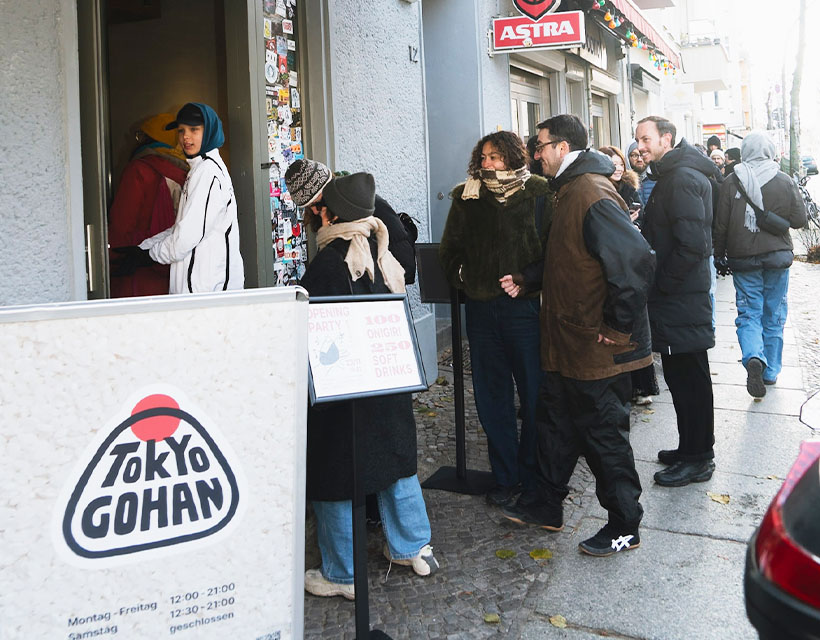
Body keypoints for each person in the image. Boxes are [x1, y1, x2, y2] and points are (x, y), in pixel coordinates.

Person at [500, 114, 655, 557]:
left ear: (562, 149)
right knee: (555, 425)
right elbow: (571, 258)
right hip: (567, 344)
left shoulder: (589, 192)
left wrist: (617, 326)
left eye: (540, 145)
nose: (535, 152)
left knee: (603, 436)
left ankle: (626, 525)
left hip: (595, 347)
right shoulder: (568, 190)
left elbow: (636, 260)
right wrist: (529, 278)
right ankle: (546, 504)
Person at [298, 172, 438, 600]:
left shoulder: (329, 261)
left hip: (344, 389)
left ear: (329, 213)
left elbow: (309, 329)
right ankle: (413, 547)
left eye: (318, 209)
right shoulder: (382, 249)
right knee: (396, 460)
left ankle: (342, 573)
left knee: (335, 471)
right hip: (388, 379)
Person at [439, 131, 552, 508]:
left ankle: (533, 473)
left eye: (495, 157)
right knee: (492, 397)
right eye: (483, 157)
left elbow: (553, 250)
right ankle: (505, 477)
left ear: (514, 157)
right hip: (482, 310)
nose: (487, 164)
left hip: (525, 310)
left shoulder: (539, 192)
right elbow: (450, 249)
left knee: (535, 395)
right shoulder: (467, 196)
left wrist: (528, 281)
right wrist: (465, 278)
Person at [635, 115, 716, 487]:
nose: (640, 145)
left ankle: (699, 458)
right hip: (677, 296)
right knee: (681, 377)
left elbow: (693, 245)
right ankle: (690, 447)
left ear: (666, 139)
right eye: (638, 139)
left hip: (680, 296)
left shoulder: (681, 177)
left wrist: (662, 284)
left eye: (646, 139)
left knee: (689, 379)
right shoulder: (672, 174)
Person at [713, 132, 807, 397]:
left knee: (749, 312)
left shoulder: (732, 181)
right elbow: (799, 220)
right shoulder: (783, 180)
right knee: (774, 314)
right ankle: (770, 371)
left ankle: (754, 355)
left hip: (744, 259)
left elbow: (720, 224)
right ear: (769, 151)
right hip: (777, 257)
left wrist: (719, 254)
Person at [119, 103, 244, 293]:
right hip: (202, 294)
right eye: (181, 130)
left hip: (209, 298)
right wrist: (144, 248)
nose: (186, 136)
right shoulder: (199, 169)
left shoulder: (208, 173)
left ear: (209, 131)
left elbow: (183, 240)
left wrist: (148, 255)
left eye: (194, 129)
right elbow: (181, 228)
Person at [285, 159, 417, 284]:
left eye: (317, 204)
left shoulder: (371, 207)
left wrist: (363, 283)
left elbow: (406, 264)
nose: (314, 211)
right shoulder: (323, 216)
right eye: (308, 207)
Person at [108, 113, 189, 297]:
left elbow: (121, 228)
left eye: (142, 136)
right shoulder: (186, 173)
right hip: (174, 272)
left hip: (137, 272)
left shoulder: (139, 170)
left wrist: (108, 262)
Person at [627, 141, 656, 206]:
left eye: (642, 154)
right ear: (627, 158)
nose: (639, 159)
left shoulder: (657, 178)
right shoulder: (624, 182)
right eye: (634, 155)